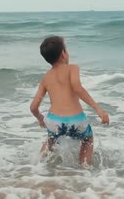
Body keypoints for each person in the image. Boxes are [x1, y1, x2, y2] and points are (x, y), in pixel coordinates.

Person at [30, 36, 110, 166]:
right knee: (87, 139)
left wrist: (40, 119)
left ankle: (37, 166)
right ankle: (84, 170)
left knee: (51, 140)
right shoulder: (72, 68)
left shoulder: (46, 78)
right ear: (63, 53)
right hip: (76, 120)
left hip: (54, 121)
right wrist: (98, 109)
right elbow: (77, 87)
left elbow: (33, 107)